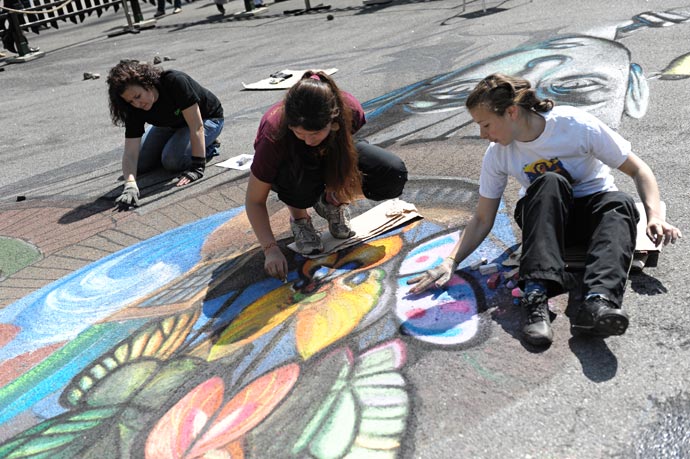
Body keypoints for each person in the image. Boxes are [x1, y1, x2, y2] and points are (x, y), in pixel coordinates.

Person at [407, 73, 681, 347]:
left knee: (619, 202)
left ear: (512, 112)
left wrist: (655, 216)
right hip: (545, 219)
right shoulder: (498, 153)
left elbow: (638, 169)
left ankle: (599, 303)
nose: (483, 134)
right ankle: (536, 295)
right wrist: (450, 261)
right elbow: (482, 217)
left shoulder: (574, 125)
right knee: (550, 181)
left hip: (594, 219)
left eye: (486, 124)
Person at [246, 70, 408, 281]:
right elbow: (254, 200)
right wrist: (270, 249)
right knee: (299, 172)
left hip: (328, 153)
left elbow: (345, 151)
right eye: (299, 133)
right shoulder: (274, 134)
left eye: (314, 133)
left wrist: (338, 188)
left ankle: (331, 202)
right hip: (289, 168)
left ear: (333, 122)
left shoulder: (348, 108)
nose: (307, 140)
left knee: (391, 173)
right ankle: (300, 219)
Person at [107, 60, 224, 209]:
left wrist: (197, 167)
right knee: (140, 163)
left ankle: (209, 145)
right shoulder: (133, 108)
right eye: (130, 101)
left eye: (137, 96)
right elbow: (130, 152)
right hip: (170, 124)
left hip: (206, 120)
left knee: (172, 161)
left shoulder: (174, 81)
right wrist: (130, 184)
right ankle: (178, 144)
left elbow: (196, 125)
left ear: (147, 83)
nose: (137, 104)